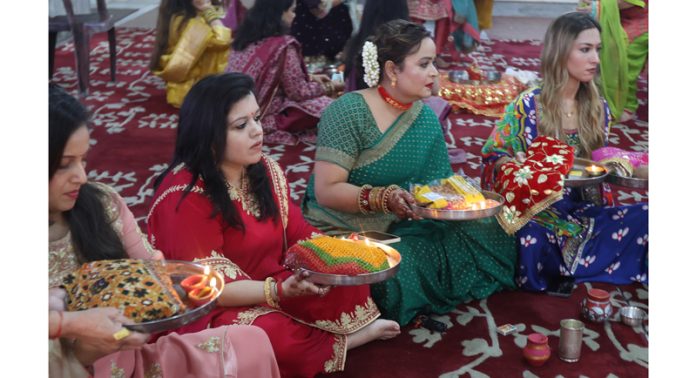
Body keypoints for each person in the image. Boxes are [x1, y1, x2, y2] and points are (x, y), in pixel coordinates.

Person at [147, 73, 400, 377]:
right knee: (264, 338)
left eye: (256, 118)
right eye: (241, 126)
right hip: (211, 307)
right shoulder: (185, 197)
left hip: (276, 282)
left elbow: (297, 233)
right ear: (208, 136)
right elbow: (206, 287)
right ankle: (347, 341)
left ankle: (325, 337)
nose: (257, 131)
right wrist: (278, 291)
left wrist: (341, 255)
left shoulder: (263, 169)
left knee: (345, 281)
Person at [48, 83, 281, 377]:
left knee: (253, 341)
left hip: (127, 358)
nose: (81, 177)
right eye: (64, 165)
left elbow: (152, 272)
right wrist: (79, 336)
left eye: (83, 160)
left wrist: (164, 281)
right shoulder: (182, 195)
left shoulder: (101, 203)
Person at [301, 20, 517, 326]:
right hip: (344, 223)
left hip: (407, 219)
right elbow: (327, 190)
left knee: (494, 230)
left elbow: (436, 182)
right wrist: (383, 198)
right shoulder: (349, 111)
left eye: (435, 64)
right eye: (425, 64)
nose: (435, 73)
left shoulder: (425, 117)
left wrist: (459, 196)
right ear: (392, 70)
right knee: (397, 268)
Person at [480, 12, 648, 291]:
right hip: (539, 211)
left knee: (650, 216)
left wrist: (625, 166)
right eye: (585, 49)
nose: (595, 59)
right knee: (530, 235)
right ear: (560, 52)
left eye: (598, 49)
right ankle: (589, 261)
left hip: (585, 210)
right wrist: (513, 163)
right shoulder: (529, 105)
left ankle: (579, 261)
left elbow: (598, 166)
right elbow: (492, 155)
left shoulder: (598, 108)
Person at [228, 0, 343, 145]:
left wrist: (311, 77)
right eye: (292, 11)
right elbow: (298, 92)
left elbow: (273, 74)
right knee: (336, 108)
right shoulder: (283, 45)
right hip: (264, 116)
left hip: (233, 111)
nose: (295, 16)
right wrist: (330, 87)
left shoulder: (243, 39)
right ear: (280, 13)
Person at [150, 0, 231, 108]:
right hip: (192, 93)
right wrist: (211, 13)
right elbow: (222, 40)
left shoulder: (184, 14)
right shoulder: (188, 21)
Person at [578, 0, 648, 122]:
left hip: (641, 23)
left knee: (624, 62)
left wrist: (597, 6)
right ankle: (602, 95)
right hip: (619, 19)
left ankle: (627, 104)